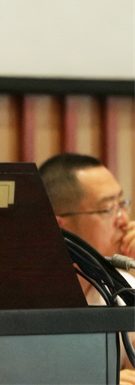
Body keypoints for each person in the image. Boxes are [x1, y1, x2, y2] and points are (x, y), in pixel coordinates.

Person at [39, 153, 135, 384]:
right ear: (58, 226)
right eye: (107, 209)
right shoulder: (23, 297)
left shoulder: (122, 286)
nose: (124, 220)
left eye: (122, 204)